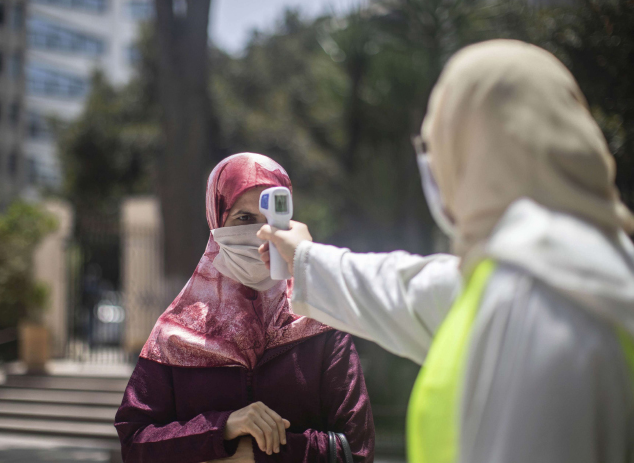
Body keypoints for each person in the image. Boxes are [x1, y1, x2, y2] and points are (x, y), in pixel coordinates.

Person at [257, 40, 634, 463]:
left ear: (476, 153)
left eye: (440, 149)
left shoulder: (533, 302)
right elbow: (405, 291)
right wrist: (305, 257)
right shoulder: (577, 267)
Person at [115, 153, 375, 463]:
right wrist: (220, 429)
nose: (261, 235)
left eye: (272, 221)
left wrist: (259, 454)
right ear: (217, 220)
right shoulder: (176, 334)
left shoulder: (322, 325)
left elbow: (356, 450)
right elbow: (135, 442)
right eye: (244, 218)